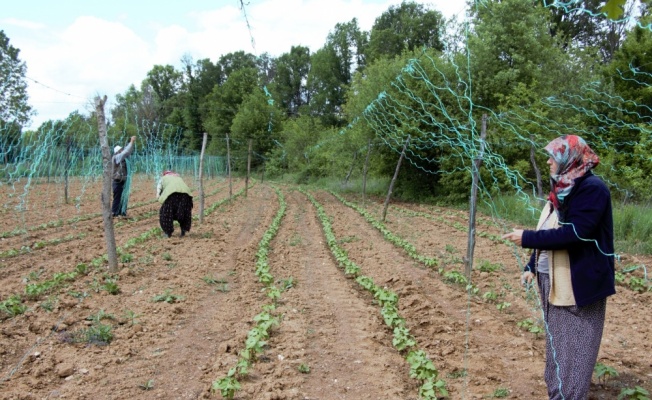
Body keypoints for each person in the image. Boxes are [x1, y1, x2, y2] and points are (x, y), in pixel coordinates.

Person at [502, 135, 615, 399]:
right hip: (551, 277)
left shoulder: (591, 189)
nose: (548, 161)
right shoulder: (563, 189)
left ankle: (570, 394)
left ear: (569, 159)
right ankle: (559, 393)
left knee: (575, 348)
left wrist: (527, 237)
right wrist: (532, 264)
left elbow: (577, 233)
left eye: (553, 156)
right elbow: (549, 228)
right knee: (558, 345)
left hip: (578, 282)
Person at [157, 170, 193, 238]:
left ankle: (167, 233)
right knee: (184, 212)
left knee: (166, 213)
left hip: (172, 194)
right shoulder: (178, 177)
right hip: (186, 194)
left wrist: (159, 198)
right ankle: (184, 230)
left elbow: (159, 189)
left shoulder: (163, 178)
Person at [111, 136, 136, 217]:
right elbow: (125, 152)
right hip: (117, 181)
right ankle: (114, 213)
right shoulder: (117, 157)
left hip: (123, 180)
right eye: (121, 150)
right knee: (117, 197)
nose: (122, 151)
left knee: (124, 197)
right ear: (117, 151)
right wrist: (131, 142)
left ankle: (122, 212)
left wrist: (130, 144)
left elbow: (127, 151)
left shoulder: (123, 158)